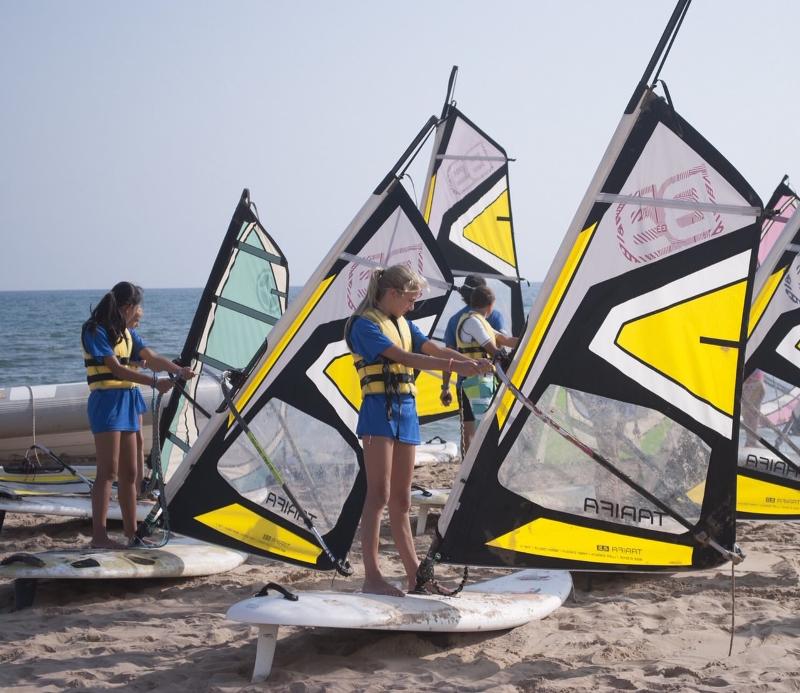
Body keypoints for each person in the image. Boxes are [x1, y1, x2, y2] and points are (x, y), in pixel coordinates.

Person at [345, 265, 492, 596]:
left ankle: (416, 577)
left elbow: (435, 350)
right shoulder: (364, 325)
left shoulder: (404, 323)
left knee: (401, 501)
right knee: (378, 496)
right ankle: (372, 577)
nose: (414, 306)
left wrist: (474, 361)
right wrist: (458, 367)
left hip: (406, 413)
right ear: (394, 294)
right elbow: (404, 358)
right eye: (411, 299)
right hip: (378, 413)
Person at [81, 281, 195, 548]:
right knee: (107, 472)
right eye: (138, 306)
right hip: (106, 402)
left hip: (128, 402)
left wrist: (177, 370)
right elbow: (117, 370)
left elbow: (152, 358)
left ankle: (132, 534)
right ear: (127, 307)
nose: (140, 312)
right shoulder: (94, 330)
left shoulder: (127, 335)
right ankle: (99, 537)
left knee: (131, 473)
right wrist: (154, 383)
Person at [442, 276, 507, 453]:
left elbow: (447, 356)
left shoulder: (456, 319)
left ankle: (466, 468)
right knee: (489, 425)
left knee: (468, 430)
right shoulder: (493, 316)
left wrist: (446, 387)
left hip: (464, 381)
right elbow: (499, 346)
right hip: (487, 381)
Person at [451, 285, 519, 426]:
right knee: (484, 427)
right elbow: (493, 350)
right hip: (475, 382)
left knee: (488, 424)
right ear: (490, 305)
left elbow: (505, 340)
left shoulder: (481, 322)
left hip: (484, 380)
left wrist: (529, 341)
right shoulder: (472, 321)